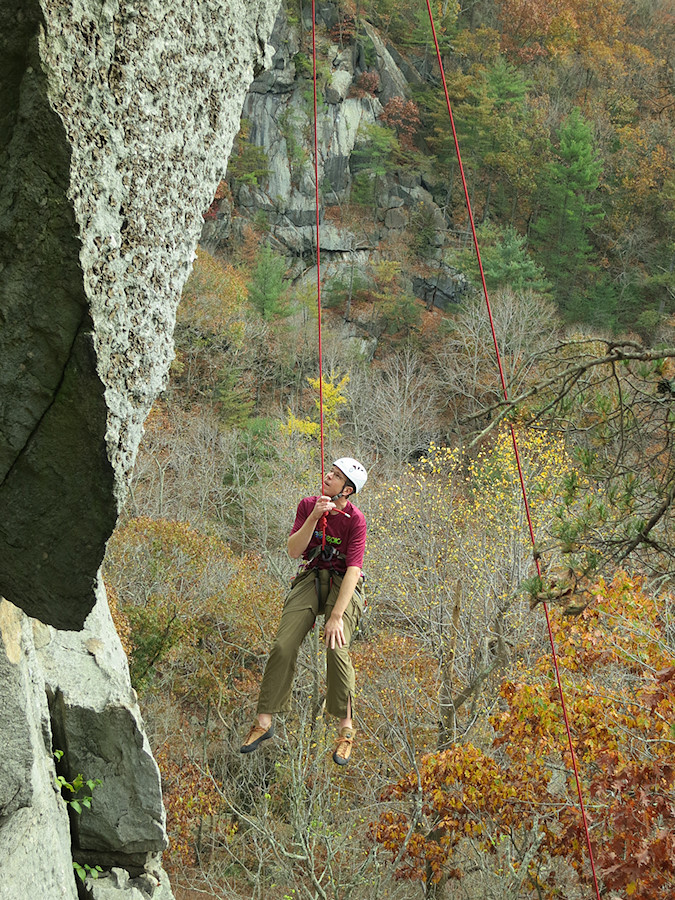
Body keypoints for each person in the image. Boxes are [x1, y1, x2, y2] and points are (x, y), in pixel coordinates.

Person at [240, 457, 368, 766]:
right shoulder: (308, 504)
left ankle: (345, 730)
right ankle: (264, 722)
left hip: (342, 584)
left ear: (347, 490)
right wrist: (314, 516)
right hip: (311, 575)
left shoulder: (355, 520)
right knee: (283, 645)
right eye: (329, 471)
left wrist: (336, 616)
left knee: (337, 648)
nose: (327, 476)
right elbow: (294, 550)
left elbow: (353, 570)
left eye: (335, 476)